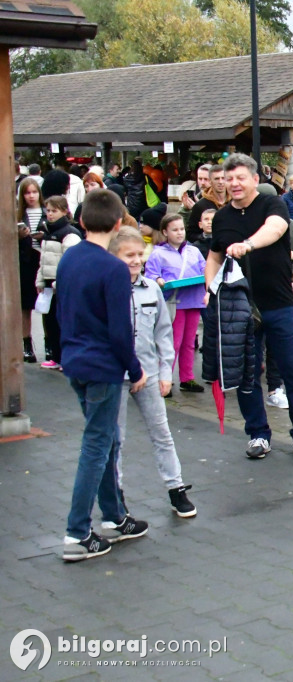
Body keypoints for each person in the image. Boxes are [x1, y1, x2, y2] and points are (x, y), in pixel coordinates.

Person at [205, 153, 293, 460]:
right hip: (240, 309)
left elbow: (277, 228)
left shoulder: (273, 204)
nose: (234, 184)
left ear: (255, 179)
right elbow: (214, 256)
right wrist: (210, 288)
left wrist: (249, 245)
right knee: (247, 376)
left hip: (278, 303)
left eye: (240, 178)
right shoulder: (222, 217)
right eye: (229, 179)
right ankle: (257, 434)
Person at [59, 189, 149, 562]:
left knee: (106, 439)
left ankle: (114, 516)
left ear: (81, 220)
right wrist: (135, 367)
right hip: (102, 366)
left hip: (74, 359)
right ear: (117, 224)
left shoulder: (69, 258)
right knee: (96, 445)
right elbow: (119, 329)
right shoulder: (113, 267)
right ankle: (77, 533)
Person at [108, 227, 196, 518]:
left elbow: (163, 333)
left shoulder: (151, 289)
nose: (135, 261)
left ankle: (176, 488)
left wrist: (165, 372)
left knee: (162, 433)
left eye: (138, 255)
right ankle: (115, 494)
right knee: (114, 438)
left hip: (148, 372)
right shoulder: (107, 289)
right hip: (116, 376)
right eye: (127, 256)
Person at [145, 213, 206, 393]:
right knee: (174, 342)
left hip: (194, 299)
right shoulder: (158, 253)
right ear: (165, 232)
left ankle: (187, 377)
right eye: (175, 230)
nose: (180, 233)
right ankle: (166, 379)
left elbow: (205, 269)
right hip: (174, 302)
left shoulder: (193, 251)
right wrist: (158, 279)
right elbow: (150, 275)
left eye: (182, 229)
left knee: (189, 341)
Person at [36, 195, 83, 370]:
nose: (50, 214)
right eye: (47, 210)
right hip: (49, 286)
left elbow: (71, 262)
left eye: (54, 211)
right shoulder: (48, 233)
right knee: (50, 323)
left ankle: (68, 358)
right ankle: (56, 356)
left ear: (64, 211)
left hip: (63, 286)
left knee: (65, 322)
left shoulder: (70, 234)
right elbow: (43, 260)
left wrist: (61, 282)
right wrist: (40, 280)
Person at [17, 178, 44, 362]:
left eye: (34, 192)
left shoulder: (46, 211)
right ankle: (27, 344)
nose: (31, 196)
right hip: (26, 261)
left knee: (46, 305)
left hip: (43, 260)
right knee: (25, 306)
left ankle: (49, 343)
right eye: (27, 192)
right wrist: (18, 236)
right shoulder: (18, 215)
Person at [186, 164, 229, 242]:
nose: (220, 182)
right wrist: (205, 237)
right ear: (210, 181)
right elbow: (190, 234)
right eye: (216, 179)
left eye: (223, 178)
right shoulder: (200, 206)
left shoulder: (236, 202)